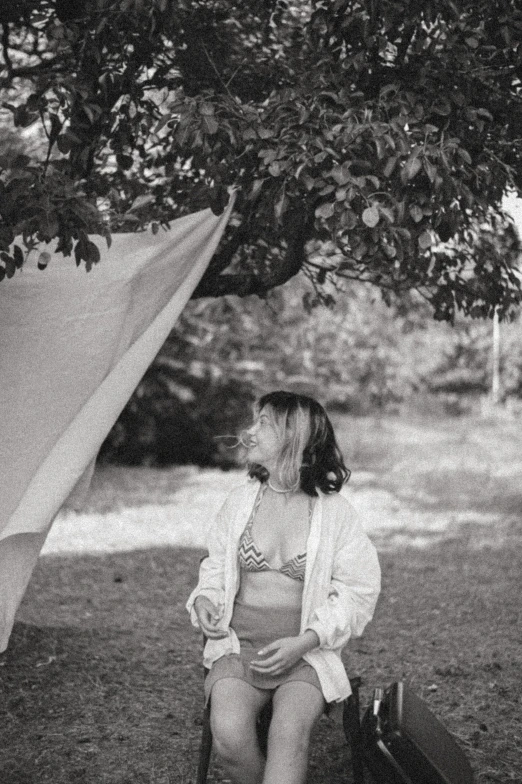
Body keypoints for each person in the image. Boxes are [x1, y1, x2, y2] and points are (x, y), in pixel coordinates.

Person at [186, 391, 381, 784]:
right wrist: (206, 598)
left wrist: (307, 641)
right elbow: (216, 567)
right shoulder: (240, 502)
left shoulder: (335, 514)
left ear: (295, 439)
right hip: (239, 648)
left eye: (264, 424)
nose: (249, 431)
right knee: (228, 734)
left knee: (288, 736)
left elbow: (358, 591)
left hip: (305, 656)